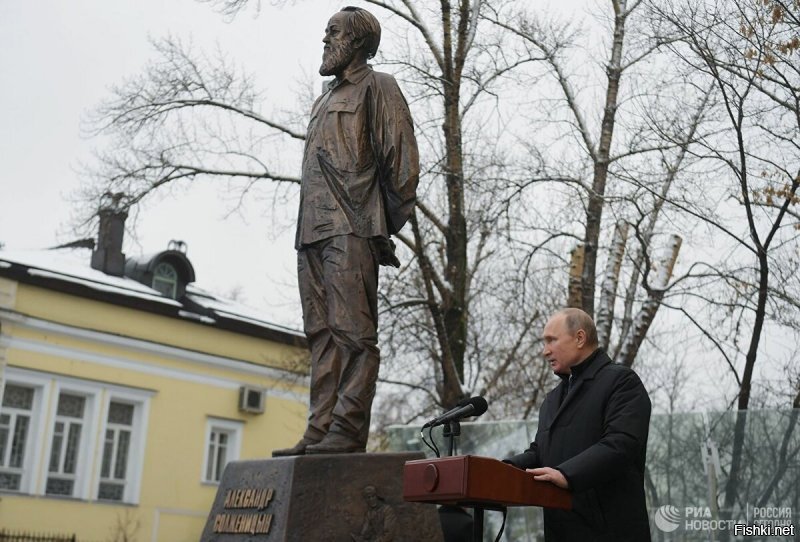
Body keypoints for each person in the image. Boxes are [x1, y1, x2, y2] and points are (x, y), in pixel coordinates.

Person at [273, 7, 419, 456]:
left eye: (332, 32)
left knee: (353, 334)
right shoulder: (323, 99)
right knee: (320, 333)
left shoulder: (379, 88)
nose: (324, 40)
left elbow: (403, 166)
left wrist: (378, 224)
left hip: (351, 229)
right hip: (311, 230)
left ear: (357, 41)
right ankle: (320, 428)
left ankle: (347, 429)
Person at [505, 308, 652, 541]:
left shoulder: (621, 382)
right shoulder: (551, 400)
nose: (545, 351)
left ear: (580, 338)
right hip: (561, 531)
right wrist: (501, 470)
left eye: (551, 340)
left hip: (609, 533)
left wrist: (566, 475)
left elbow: (621, 444)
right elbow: (540, 453)